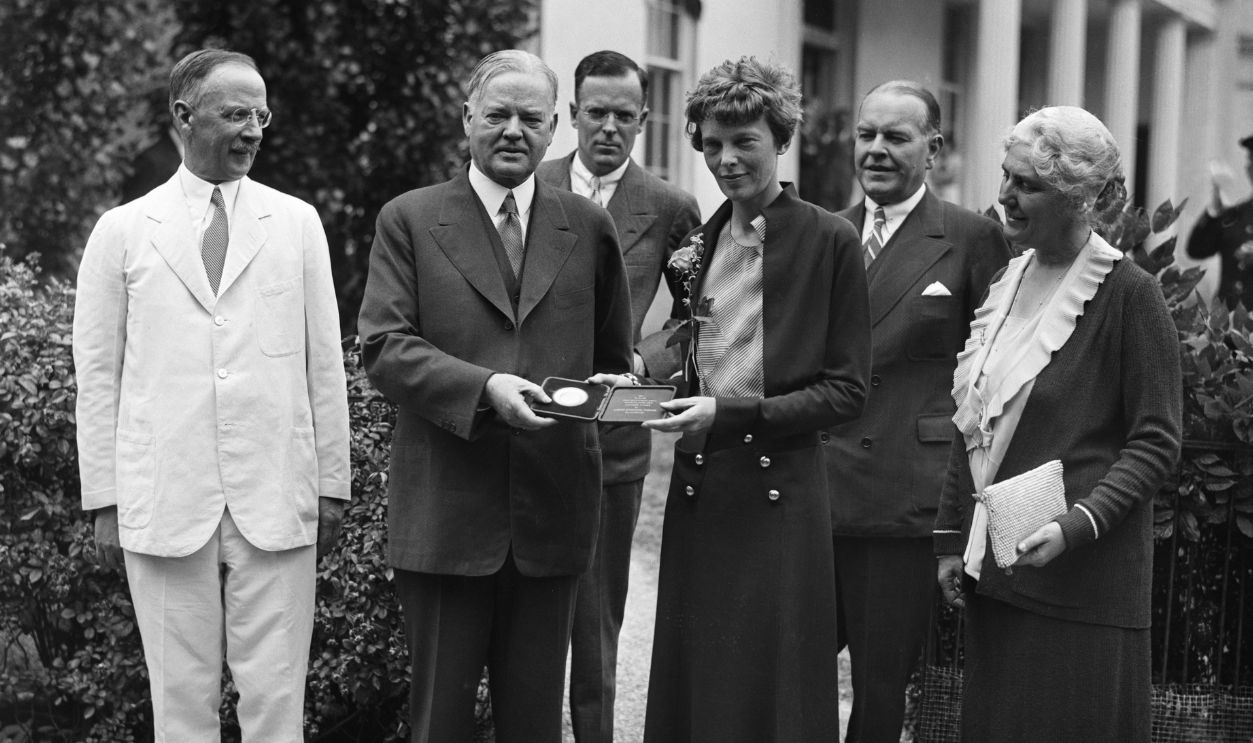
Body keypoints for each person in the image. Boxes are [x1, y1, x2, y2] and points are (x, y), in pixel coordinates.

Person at [73, 49, 350, 742]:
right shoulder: (124, 231)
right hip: (163, 496)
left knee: (277, 697)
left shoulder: (297, 223)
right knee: (180, 701)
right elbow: (98, 373)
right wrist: (106, 498)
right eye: (235, 114)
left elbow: (324, 364)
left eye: (261, 114)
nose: (254, 129)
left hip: (277, 493)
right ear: (183, 116)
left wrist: (333, 482)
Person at [356, 50, 633, 742]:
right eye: (497, 114)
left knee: (535, 726)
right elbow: (384, 347)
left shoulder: (587, 226)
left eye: (530, 118)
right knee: (439, 724)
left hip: (553, 511)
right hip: (446, 514)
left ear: (551, 131)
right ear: (467, 121)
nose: (513, 129)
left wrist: (620, 389)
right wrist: (484, 388)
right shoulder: (410, 220)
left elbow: (609, 359)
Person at [595, 56, 871, 743]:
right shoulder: (697, 243)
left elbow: (846, 390)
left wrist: (733, 416)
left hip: (781, 497)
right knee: (700, 687)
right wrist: (629, 378)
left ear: (780, 140)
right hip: (699, 489)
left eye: (743, 141)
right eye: (712, 143)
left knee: (772, 693)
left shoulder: (830, 240)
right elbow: (686, 343)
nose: (724, 159)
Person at [933, 106, 1182, 741]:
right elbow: (974, 424)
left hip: (1083, 589)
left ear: (1078, 199)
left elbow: (1156, 442)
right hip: (1002, 577)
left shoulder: (1131, 295)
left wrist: (1077, 526)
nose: (1006, 197)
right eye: (1006, 177)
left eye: (1029, 185)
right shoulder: (1005, 280)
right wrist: (948, 540)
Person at [825, 81, 1010, 743]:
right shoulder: (827, 232)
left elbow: (993, 374)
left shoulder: (971, 237)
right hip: (814, 487)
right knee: (794, 666)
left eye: (895, 137)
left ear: (931, 148)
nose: (875, 149)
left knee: (879, 685)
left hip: (905, 494)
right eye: (865, 134)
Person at [535, 50, 700, 743]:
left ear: (642, 119)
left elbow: (700, 317)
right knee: (532, 609)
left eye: (623, 116)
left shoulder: (668, 206)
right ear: (571, 115)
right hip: (531, 423)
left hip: (615, 435)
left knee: (599, 612)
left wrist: (641, 357)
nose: (608, 128)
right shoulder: (526, 185)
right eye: (594, 113)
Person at [1185, 134, 1253, 310]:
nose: (1250, 167)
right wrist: (1214, 210)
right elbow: (1196, 249)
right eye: (1251, 161)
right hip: (1227, 325)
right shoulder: (1237, 214)